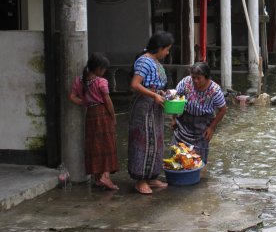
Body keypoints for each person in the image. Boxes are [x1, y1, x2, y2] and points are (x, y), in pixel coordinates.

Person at [128, 31, 174, 195]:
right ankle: (140, 180)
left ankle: (152, 176)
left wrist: (161, 94)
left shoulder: (155, 61)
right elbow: (135, 84)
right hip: (144, 107)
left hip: (155, 106)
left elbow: (156, 85)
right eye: (167, 49)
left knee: (157, 140)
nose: (167, 53)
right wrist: (154, 95)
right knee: (143, 141)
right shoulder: (144, 61)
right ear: (159, 48)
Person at [69, 53, 119, 191]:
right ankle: (106, 177)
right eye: (103, 69)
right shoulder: (101, 82)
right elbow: (108, 102)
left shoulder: (79, 80)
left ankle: (97, 178)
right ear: (97, 68)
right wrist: (113, 117)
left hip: (90, 114)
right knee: (108, 145)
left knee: (95, 145)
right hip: (102, 113)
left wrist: (85, 102)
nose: (104, 72)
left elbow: (72, 97)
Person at [170, 62, 227, 164]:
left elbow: (222, 110)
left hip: (203, 125)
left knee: (198, 159)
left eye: (199, 78)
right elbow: (176, 99)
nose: (195, 81)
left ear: (206, 77)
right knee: (177, 154)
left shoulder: (215, 90)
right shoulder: (186, 82)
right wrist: (174, 119)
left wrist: (212, 128)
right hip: (183, 121)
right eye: (193, 77)